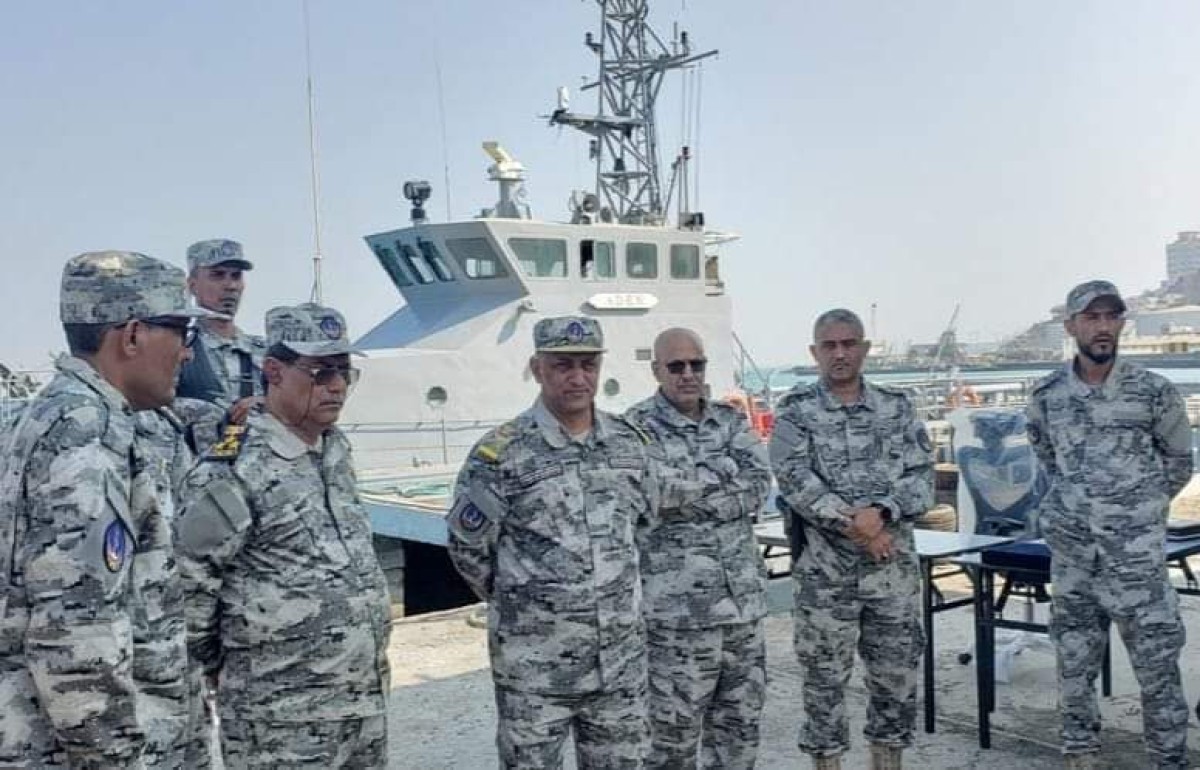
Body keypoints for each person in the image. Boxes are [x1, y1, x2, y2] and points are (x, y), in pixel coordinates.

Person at [0, 250, 217, 767]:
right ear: (133, 336)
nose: (187, 355)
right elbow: (78, 634)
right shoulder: (83, 435)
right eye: (180, 334)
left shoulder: (87, 418)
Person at [447, 316, 688, 769]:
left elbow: (643, 525)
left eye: (587, 364)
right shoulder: (501, 454)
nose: (578, 377)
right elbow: (468, 550)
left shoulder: (630, 444)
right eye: (562, 365)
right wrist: (530, 607)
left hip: (619, 667)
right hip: (535, 669)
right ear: (537, 369)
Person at [173, 302, 392, 769]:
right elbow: (190, 588)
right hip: (279, 720)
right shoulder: (233, 468)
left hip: (361, 705)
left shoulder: (334, 451)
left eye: (344, 372)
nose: (336, 386)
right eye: (320, 371)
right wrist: (230, 672)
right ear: (273, 370)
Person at [1025, 280, 1192, 770]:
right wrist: (1082, 513)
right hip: (1075, 563)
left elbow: (1178, 462)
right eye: (1091, 317)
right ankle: (1081, 758)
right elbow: (1048, 460)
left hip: (1137, 565)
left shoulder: (1153, 391)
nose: (1102, 327)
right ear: (1071, 325)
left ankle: (1169, 761)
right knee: (1074, 670)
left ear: (1121, 322)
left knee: (1159, 673)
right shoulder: (1047, 396)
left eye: (1111, 316)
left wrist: (1134, 513)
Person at [768, 308, 934, 770]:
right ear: (814, 353)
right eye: (829, 346)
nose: (840, 353)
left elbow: (921, 479)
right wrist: (859, 531)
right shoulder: (796, 412)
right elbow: (796, 481)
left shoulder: (898, 408)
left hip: (891, 578)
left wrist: (881, 514)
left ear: (863, 348)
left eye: (848, 344)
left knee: (895, 682)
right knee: (824, 684)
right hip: (825, 580)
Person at [625, 327, 771, 769]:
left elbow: (759, 485)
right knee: (671, 741)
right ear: (656, 370)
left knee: (740, 732)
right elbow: (652, 494)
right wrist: (722, 476)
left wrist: (689, 490)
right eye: (676, 366)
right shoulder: (634, 430)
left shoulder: (730, 421)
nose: (688, 374)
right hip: (677, 620)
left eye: (697, 364)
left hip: (742, 612)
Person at [176, 238, 266, 424]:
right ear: (192, 285)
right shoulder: (178, 350)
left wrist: (267, 405)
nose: (230, 286)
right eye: (217, 275)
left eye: (236, 276)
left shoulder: (266, 353)